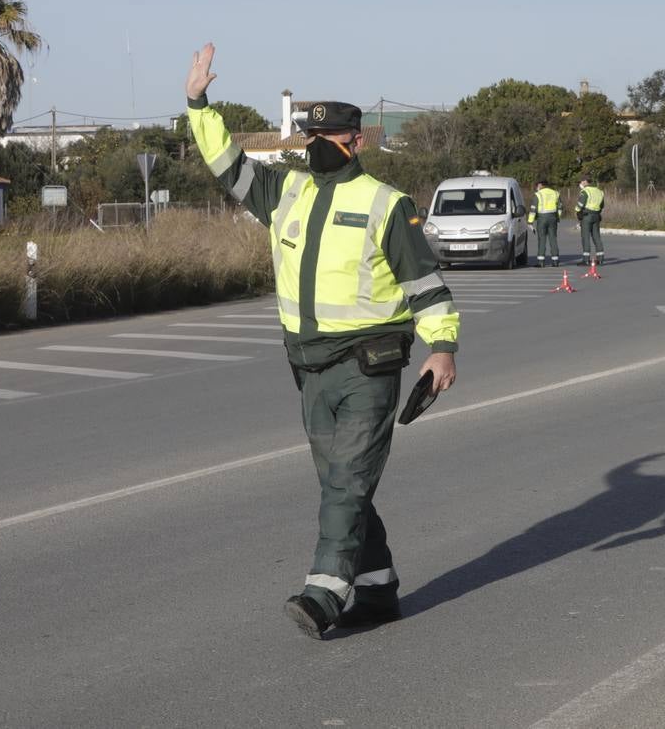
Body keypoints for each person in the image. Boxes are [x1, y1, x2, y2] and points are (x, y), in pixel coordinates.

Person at [184, 43, 459, 639]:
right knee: (341, 481)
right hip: (308, 368)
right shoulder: (285, 192)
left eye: (328, 138)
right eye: (310, 138)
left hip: (369, 365)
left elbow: (426, 287)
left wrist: (441, 348)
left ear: (355, 142)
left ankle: (326, 591)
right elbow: (225, 162)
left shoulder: (388, 204)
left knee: (348, 481)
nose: (316, 147)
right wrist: (197, 102)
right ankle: (379, 589)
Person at [529, 179, 561, 267]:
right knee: (553, 239)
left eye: (537, 185)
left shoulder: (538, 195)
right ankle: (555, 261)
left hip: (542, 218)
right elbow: (560, 207)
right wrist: (557, 217)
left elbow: (533, 209)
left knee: (542, 239)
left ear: (540, 185)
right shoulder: (556, 193)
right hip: (553, 218)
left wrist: (530, 221)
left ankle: (541, 262)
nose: (536, 187)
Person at [576, 177, 605, 265]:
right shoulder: (599, 191)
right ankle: (600, 259)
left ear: (585, 181)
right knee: (596, 237)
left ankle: (586, 260)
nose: (580, 183)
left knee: (585, 237)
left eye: (581, 181)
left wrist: (578, 213)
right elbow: (602, 205)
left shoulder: (585, 192)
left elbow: (580, 205)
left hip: (586, 216)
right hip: (596, 215)